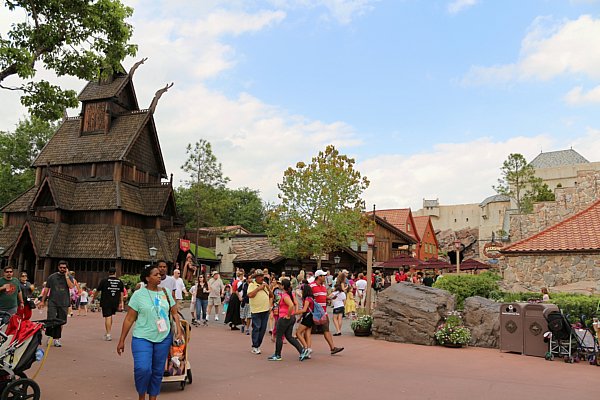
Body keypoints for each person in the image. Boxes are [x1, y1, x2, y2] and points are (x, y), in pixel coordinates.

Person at [117, 265, 183, 400]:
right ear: (147, 278)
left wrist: (179, 330)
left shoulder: (165, 292)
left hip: (163, 337)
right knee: (143, 369)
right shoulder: (138, 295)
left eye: (160, 274)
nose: (159, 276)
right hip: (142, 337)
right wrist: (121, 340)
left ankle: (153, 397)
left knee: (158, 371)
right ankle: (141, 396)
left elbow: (174, 313)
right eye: (156, 274)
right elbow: (129, 319)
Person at [39, 260, 76, 347]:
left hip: (63, 302)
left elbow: (71, 286)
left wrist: (67, 276)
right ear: (58, 267)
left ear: (67, 268)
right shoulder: (52, 277)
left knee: (60, 321)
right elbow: (46, 289)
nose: (62, 269)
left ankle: (57, 339)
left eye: (64, 268)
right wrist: (42, 301)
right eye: (61, 267)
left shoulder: (69, 277)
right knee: (51, 319)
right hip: (53, 301)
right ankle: (49, 337)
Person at [267, 279, 304, 361]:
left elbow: (291, 305)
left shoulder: (285, 295)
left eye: (280, 284)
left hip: (284, 317)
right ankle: (301, 350)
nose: (279, 286)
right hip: (290, 317)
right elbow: (294, 304)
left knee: (279, 336)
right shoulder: (290, 294)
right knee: (289, 336)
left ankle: (277, 355)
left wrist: (288, 315)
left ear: (283, 286)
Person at [310, 270, 344, 355]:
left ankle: (332, 348)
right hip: (314, 312)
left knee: (326, 329)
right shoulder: (311, 286)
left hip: (323, 312)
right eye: (323, 276)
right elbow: (308, 297)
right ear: (319, 277)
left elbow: (324, 297)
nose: (325, 277)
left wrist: (330, 298)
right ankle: (305, 346)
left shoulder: (324, 286)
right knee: (307, 329)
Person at [94, 267, 125, 341]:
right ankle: (108, 331)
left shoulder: (104, 281)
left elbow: (98, 290)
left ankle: (108, 334)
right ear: (115, 273)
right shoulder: (119, 281)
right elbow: (121, 293)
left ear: (109, 272)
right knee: (110, 316)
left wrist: (93, 298)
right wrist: (121, 302)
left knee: (107, 316)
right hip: (115, 301)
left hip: (106, 301)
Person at [248, 269, 271, 355]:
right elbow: (250, 295)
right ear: (256, 278)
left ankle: (258, 345)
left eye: (262, 276)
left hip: (265, 310)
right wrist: (258, 289)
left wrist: (268, 288)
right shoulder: (252, 285)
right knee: (257, 327)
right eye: (260, 276)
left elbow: (271, 295)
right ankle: (255, 346)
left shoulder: (265, 285)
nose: (262, 278)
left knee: (263, 329)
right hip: (256, 310)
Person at [295, 281, 315, 360]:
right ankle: (308, 348)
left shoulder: (307, 299)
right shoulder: (311, 298)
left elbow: (304, 310)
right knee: (308, 334)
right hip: (310, 317)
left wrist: (295, 313)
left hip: (307, 317)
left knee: (298, 333)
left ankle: (306, 348)